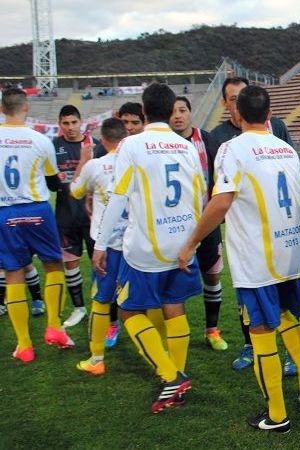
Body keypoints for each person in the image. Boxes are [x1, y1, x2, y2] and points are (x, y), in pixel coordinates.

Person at [178, 85, 300, 433]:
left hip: (257, 256)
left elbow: (221, 201)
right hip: (288, 250)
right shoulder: (286, 149)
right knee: (286, 315)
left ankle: (276, 415)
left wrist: (191, 242)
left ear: (238, 114)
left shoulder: (232, 148)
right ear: (269, 114)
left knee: (260, 329)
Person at [92, 83, 203, 413]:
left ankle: (170, 375)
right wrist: (193, 241)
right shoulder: (186, 146)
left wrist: (101, 243)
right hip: (182, 243)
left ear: (143, 110)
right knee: (175, 307)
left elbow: (118, 197)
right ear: (170, 110)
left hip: (145, 247)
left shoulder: (132, 144)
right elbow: (200, 195)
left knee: (128, 311)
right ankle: (176, 385)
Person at [210, 76, 295, 371]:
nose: (238, 103)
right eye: (233, 98)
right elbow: (219, 186)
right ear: (225, 103)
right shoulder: (219, 137)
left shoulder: (277, 128)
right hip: (247, 230)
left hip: (277, 227)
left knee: (281, 297)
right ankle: (249, 344)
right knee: (247, 295)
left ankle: (288, 353)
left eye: (242, 97)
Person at [0, 87, 74, 363]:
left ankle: (24, 345)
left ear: (1, 109)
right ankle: (54, 326)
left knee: (13, 273)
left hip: (5, 212)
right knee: (53, 266)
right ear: (26, 107)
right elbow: (54, 183)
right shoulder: (41, 140)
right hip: (37, 210)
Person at [170, 96, 228, 351]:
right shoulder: (163, 143)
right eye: (173, 111)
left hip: (206, 222)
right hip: (174, 225)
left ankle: (212, 330)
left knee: (212, 275)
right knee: (173, 281)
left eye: (182, 110)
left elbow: (221, 175)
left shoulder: (207, 140)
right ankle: (176, 333)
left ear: (190, 112)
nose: (178, 116)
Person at [71, 118, 128, 375]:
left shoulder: (95, 165)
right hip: (135, 244)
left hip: (106, 246)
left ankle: (96, 359)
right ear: (125, 136)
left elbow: (75, 191)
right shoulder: (136, 162)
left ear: (102, 140)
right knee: (147, 302)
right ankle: (161, 357)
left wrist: (84, 159)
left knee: (102, 301)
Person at [53, 105, 107, 328]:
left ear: (81, 122)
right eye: (65, 123)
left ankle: (101, 304)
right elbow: (51, 181)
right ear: (60, 124)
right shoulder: (53, 146)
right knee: (70, 262)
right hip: (65, 215)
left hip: (92, 217)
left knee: (100, 263)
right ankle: (79, 308)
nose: (70, 127)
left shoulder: (96, 145)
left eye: (74, 122)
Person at [104, 101, 146, 348]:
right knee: (110, 285)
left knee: (142, 291)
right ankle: (112, 325)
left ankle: (147, 332)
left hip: (140, 236)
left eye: (135, 122)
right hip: (114, 236)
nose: (129, 127)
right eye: (125, 122)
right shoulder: (106, 155)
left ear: (144, 123)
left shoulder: (146, 151)